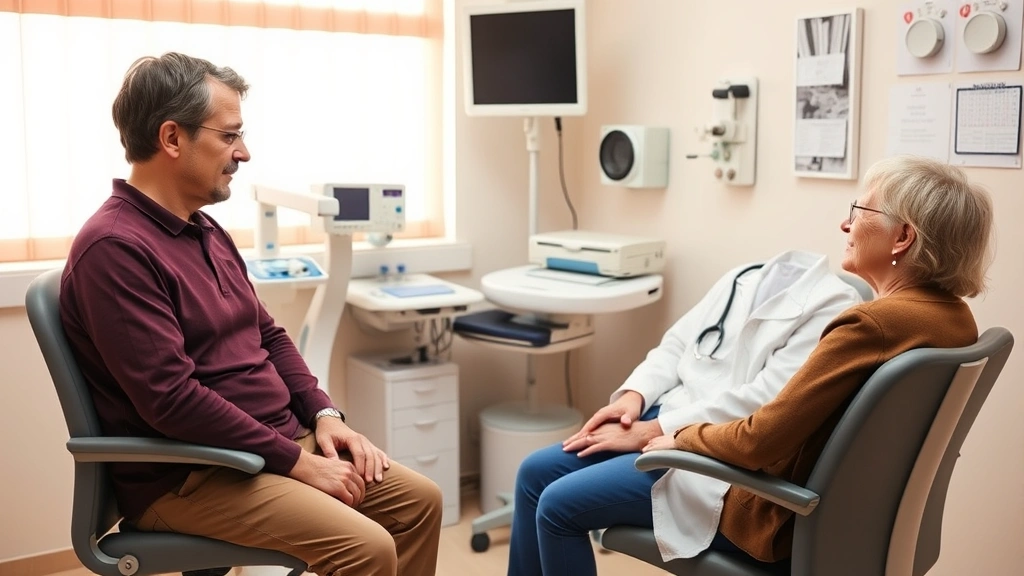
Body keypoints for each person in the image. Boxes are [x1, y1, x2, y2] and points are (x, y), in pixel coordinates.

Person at [59, 52, 442, 576]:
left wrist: (324, 416)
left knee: (420, 503)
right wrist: (298, 463)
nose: (244, 152)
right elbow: (171, 400)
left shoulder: (203, 229)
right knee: (366, 547)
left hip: (271, 444)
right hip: (193, 473)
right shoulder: (114, 248)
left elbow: (269, 335)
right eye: (229, 136)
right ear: (172, 138)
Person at [643, 155, 994, 565]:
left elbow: (759, 442)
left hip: (774, 518)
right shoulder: (954, 320)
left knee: (573, 497)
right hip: (859, 522)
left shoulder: (872, 324)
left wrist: (683, 436)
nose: (846, 225)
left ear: (902, 237)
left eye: (859, 212)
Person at [508, 249, 863, 576]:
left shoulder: (834, 305)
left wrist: (653, 430)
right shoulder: (744, 276)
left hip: (712, 451)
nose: (846, 225)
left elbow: (765, 402)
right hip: (665, 416)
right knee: (534, 472)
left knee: (556, 505)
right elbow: (677, 344)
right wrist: (633, 398)